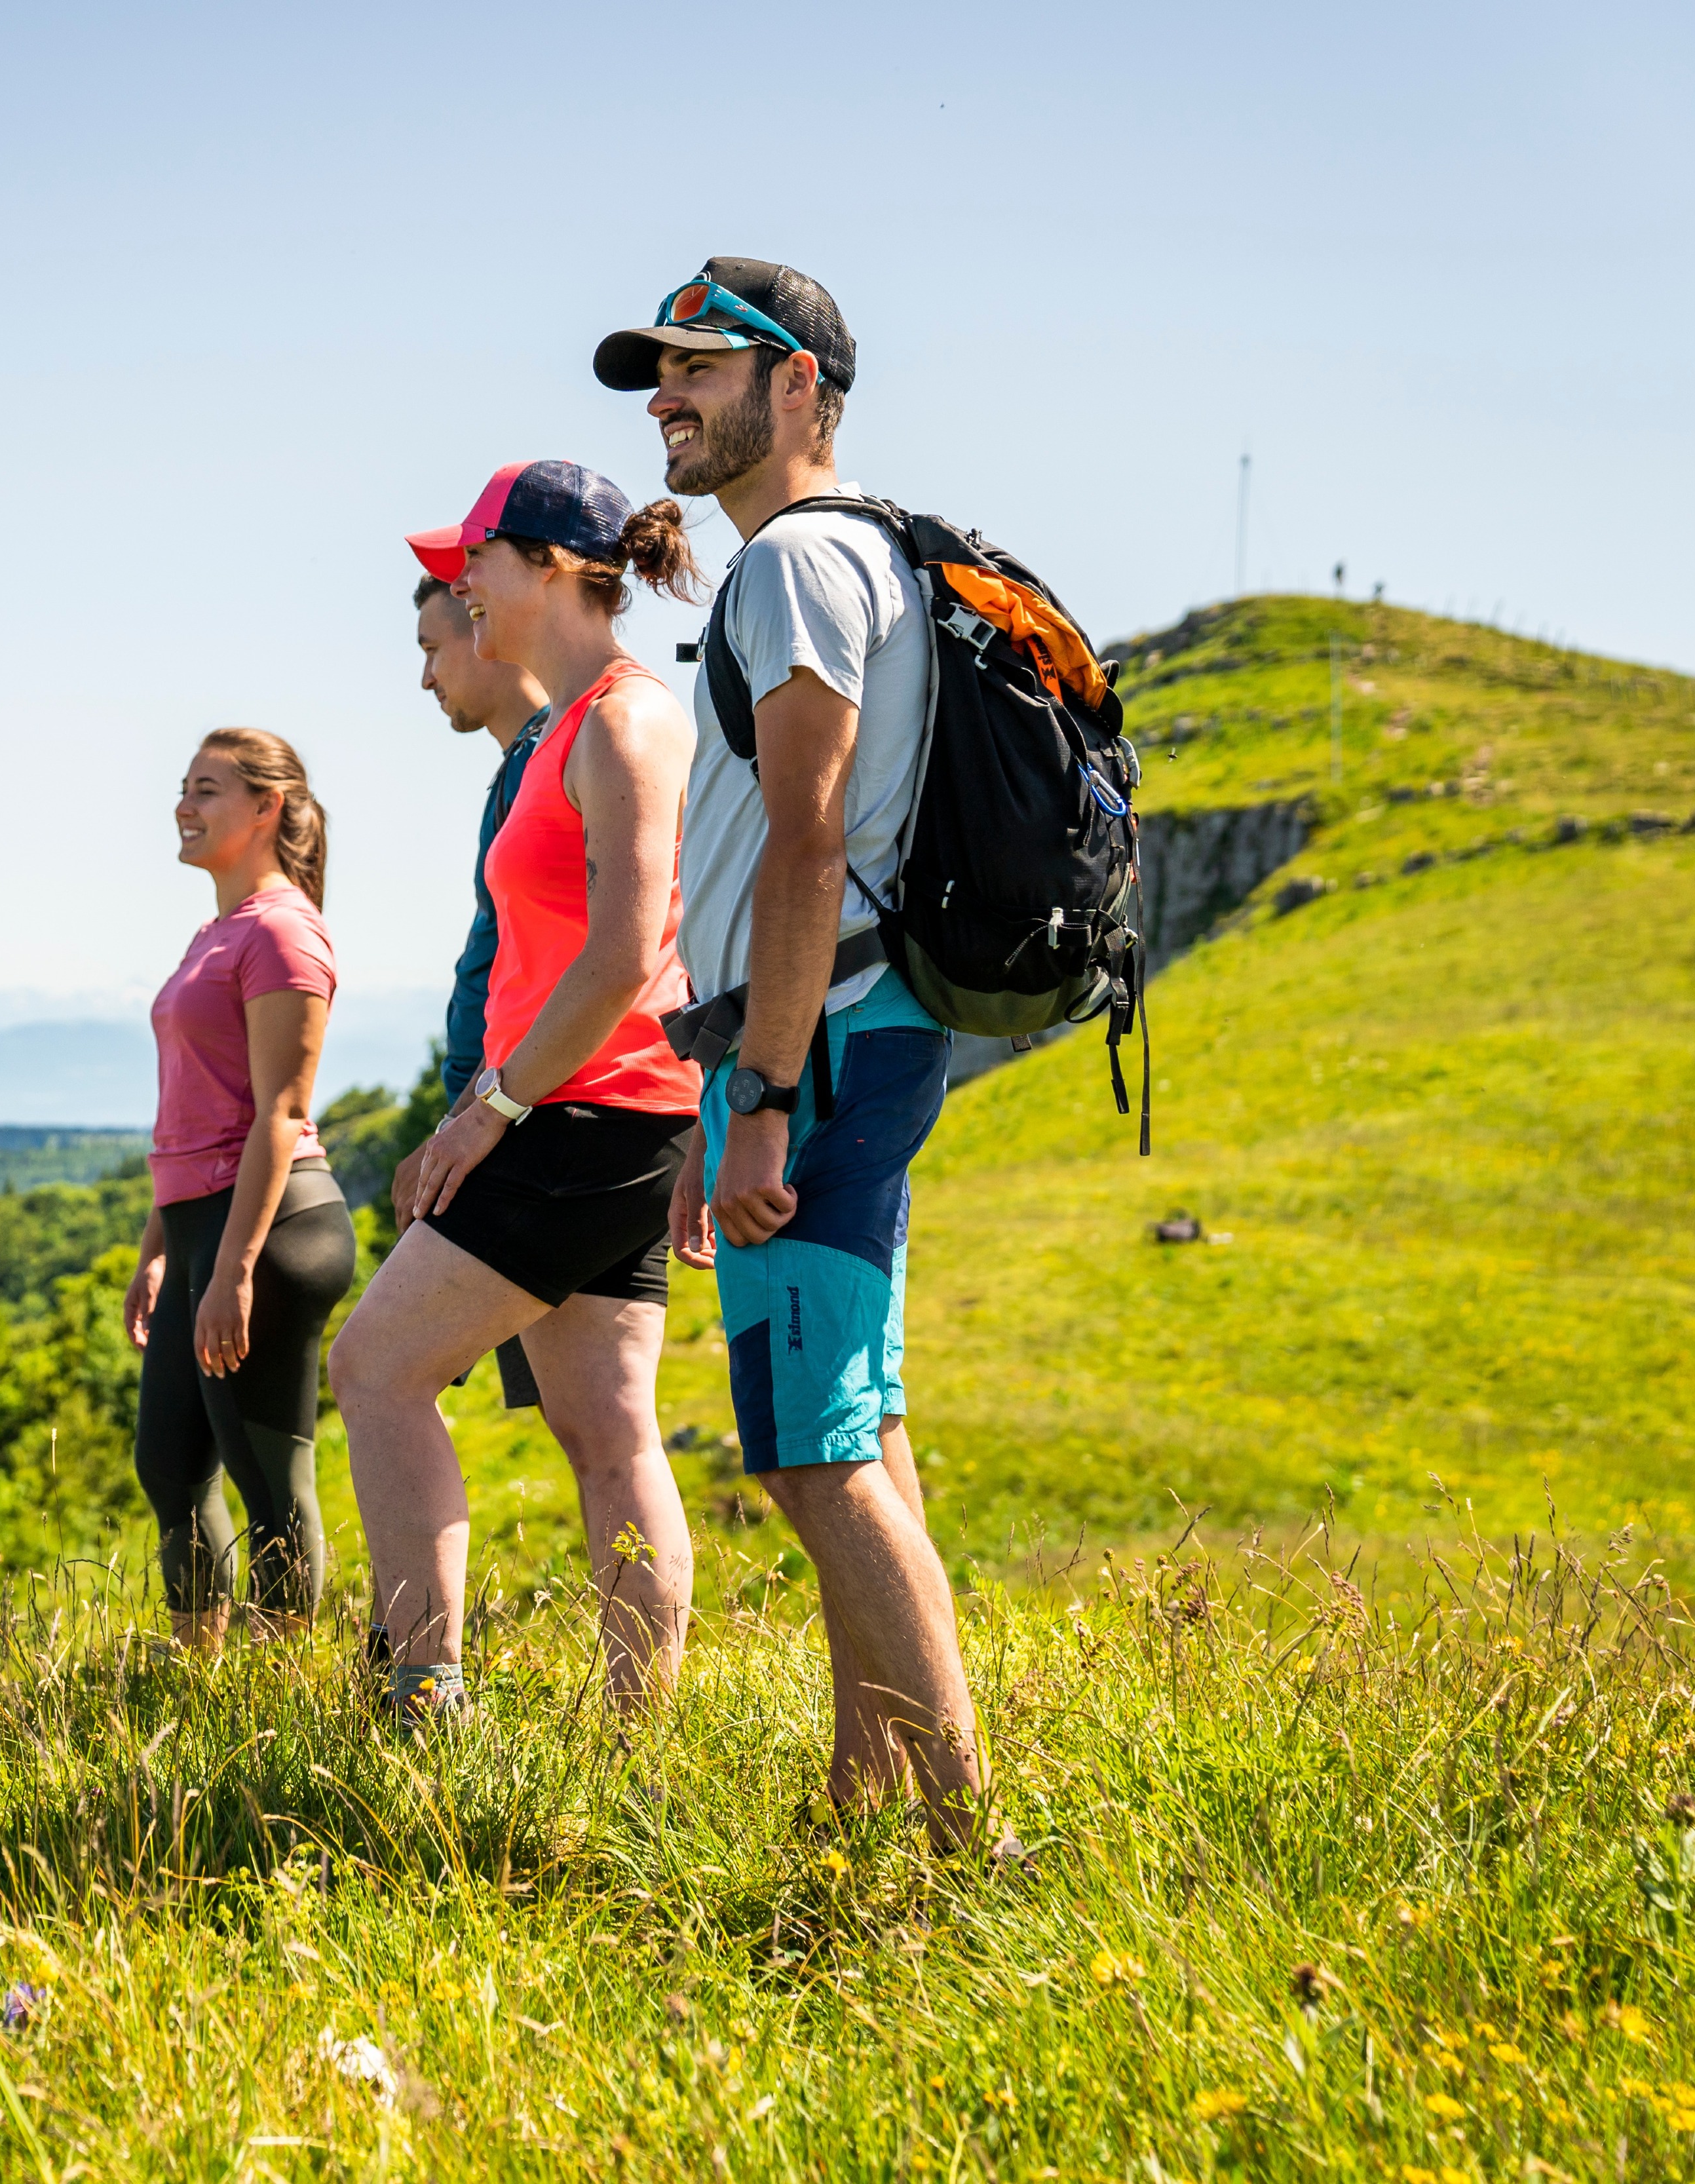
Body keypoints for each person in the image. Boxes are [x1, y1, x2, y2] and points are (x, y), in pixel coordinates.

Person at [594, 256, 983, 1833]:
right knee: (860, 1434)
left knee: (812, 1454)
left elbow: (810, 841)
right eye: (657, 371)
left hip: (818, 1045)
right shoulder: (859, 558)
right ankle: (860, 1795)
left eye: (701, 364)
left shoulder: (790, 570)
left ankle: (965, 1833)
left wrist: (756, 1093)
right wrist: (728, 1087)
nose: (665, 396)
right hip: (833, 1033)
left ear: (800, 387)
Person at [330, 460, 705, 1718]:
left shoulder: (626, 718)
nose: (465, 584)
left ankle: (423, 1689)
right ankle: (631, 1734)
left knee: (376, 1367)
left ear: (548, 567)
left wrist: (488, 1110)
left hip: (581, 1111)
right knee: (608, 1433)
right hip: (598, 1107)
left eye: (480, 557)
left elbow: (624, 951)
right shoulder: (580, 721)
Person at [129, 729, 360, 1655]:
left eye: (208, 790)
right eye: (183, 788)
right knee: (171, 1465)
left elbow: (281, 1111)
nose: (184, 806)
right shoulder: (215, 934)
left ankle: (281, 1689)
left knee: (270, 1479)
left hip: (267, 1227)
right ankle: (202, 1677)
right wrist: (160, 1249)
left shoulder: (282, 929)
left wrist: (234, 1268)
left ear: (267, 808)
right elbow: (188, 1112)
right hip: (202, 1227)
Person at [412, 572, 552, 1415]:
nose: (425, 678)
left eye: (432, 650)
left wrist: (472, 1114)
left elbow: (536, 967)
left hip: (519, 1119)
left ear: (481, 626)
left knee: (378, 1366)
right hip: (500, 1111)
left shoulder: (544, 761)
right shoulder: (518, 767)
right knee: (588, 1416)